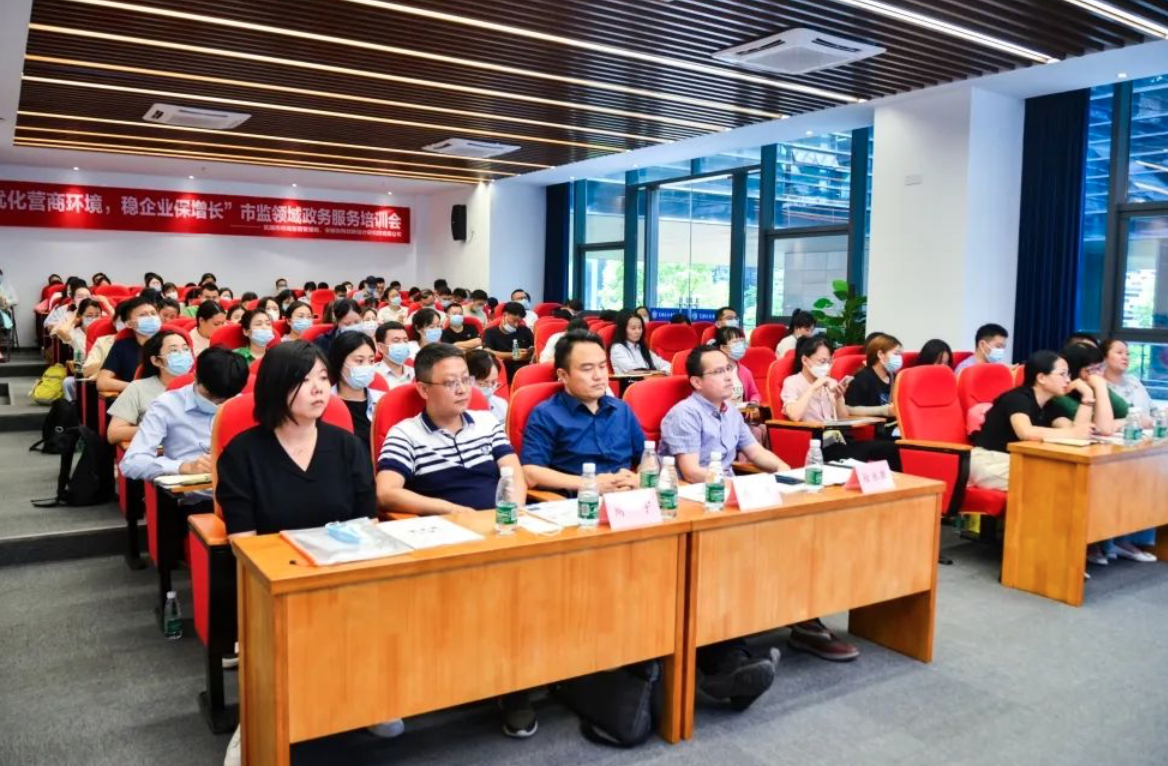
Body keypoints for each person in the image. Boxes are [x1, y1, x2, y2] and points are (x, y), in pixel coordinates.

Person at [373, 343, 534, 738]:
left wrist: (511, 510)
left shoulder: (487, 423)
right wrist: (446, 509)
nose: (463, 389)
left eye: (466, 380)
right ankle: (501, 687)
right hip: (446, 536)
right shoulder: (406, 433)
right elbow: (387, 492)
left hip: (501, 528)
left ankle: (522, 679)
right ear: (423, 388)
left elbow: (513, 473)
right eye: (451, 383)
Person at [521, 331, 642, 494]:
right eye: (587, 369)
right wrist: (588, 483)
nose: (598, 376)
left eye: (602, 366)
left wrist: (639, 478)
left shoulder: (622, 409)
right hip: (580, 502)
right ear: (563, 375)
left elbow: (646, 456)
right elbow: (531, 472)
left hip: (627, 498)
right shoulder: (546, 414)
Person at [120, 347, 249, 491]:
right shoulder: (167, 405)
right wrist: (184, 467)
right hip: (195, 494)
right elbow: (131, 463)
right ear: (195, 377)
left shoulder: (243, 404)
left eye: (224, 400)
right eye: (209, 396)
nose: (215, 403)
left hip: (242, 490)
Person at [968, 350, 1092, 492]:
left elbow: (1077, 432)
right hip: (989, 459)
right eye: (1062, 374)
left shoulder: (1050, 404)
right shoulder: (1017, 398)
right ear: (1041, 378)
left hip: (1019, 460)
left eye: (1068, 374)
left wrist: (1087, 397)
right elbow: (1025, 432)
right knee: (1053, 481)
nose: (1068, 380)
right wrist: (1074, 433)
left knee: (1071, 477)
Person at [661, 345, 787, 479]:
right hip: (698, 487)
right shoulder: (685, 414)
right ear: (697, 382)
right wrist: (731, 485)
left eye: (728, 368)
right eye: (719, 371)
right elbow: (692, 473)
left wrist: (781, 467)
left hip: (726, 483)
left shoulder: (731, 411)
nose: (728, 377)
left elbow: (756, 452)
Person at [780, 336, 901, 469]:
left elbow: (843, 418)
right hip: (814, 444)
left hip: (837, 439)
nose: (826, 367)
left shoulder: (830, 383)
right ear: (805, 360)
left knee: (893, 448)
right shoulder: (792, 382)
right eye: (822, 361)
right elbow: (795, 415)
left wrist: (838, 397)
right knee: (871, 450)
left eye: (829, 362)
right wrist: (813, 387)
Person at [1098, 338, 1158, 562]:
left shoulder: (1133, 381)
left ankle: (1132, 539)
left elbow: (1152, 410)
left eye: (1128, 353)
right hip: (1114, 446)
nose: (1125, 357)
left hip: (1144, 444)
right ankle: (1111, 541)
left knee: (1155, 480)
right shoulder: (1100, 385)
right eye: (1119, 352)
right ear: (1104, 357)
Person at [107, 330, 193, 444]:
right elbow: (113, 433)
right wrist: (156, 429)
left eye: (186, 349)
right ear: (156, 361)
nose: (183, 354)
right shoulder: (138, 388)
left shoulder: (202, 387)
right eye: (174, 351)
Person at [327, 329, 384, 454]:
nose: (367, 367)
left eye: (371, 361)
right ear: (339, 362)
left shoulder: (383, 401)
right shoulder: (324, 403)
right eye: (359, 361)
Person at [97, 296, 161, 394]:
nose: (151, 318)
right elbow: (102, 382)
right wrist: (138, 388)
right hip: (138, 398)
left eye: (153, 313)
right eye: (143, 315)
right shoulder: (122, 346)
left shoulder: (169, 341)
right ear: (129, 324)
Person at [845, 334, 901, 418]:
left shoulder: (895, 377)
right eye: (896, 354)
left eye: (900, 354)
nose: (899, 358)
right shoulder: (862, 378)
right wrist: (883, 411)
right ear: (880, 354)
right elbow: (849, 409)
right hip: (872, 425)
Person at [483, 301, 534, 381]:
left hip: (526, 367)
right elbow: (487, 352)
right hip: (503, 368)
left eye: (519, 322)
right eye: (514, 320)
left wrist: (528, 353)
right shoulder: (490, 332)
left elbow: (535, 348)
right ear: (505, 314)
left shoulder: (525, 330)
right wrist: (513, 355)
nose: (516, 325)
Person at [609, 309, 670, 374]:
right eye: (633, 328)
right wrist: (660, 373)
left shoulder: (641, 347)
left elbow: (668, 365)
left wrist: (663, 372)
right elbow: (634, 372)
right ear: (623, 329)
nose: (638, 331)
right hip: (633, 381)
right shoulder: (617, 348)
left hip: (651, 379)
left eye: (640, 327)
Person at [713, 326, 761, 406]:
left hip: (741, 412)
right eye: (735, 342)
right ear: (724, 347)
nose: (740, 345)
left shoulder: (744, 371)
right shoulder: (712, 371)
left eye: (741, 341)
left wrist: (754, 402)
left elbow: (754, 394)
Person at [466, 349, 508, 424]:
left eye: (493, 382)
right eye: (482, 384)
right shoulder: (456, 411)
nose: (489, 389)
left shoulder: (502, 405)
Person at [373, 322, 415, 389]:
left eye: (405, 341)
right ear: (381, 347)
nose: (402, 344)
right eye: (396, 341)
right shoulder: (372, 374)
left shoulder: (416, 374)